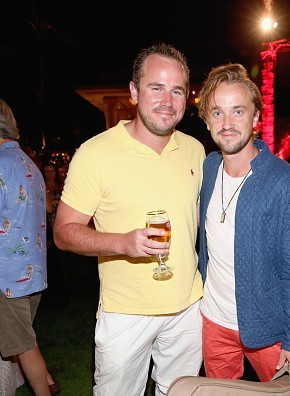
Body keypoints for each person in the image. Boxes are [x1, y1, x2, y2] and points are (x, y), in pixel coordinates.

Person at [53, 43, 205, 396]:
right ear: (134, 91)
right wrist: (123, 243)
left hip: (188, 307)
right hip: (125, 313)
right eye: (156, 87)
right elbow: (63, 233)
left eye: (177, 90)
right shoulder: (95, 153)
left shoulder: (195, 149)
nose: (167, 100)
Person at [197, 64, 290, 381]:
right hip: (214, 321)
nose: (227, 123)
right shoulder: (207, 169)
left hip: (270, 326)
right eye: (217, 113)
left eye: (238, 111)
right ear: (207, 121)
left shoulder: (286, 182)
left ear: (256, 118)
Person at [0, 98, 61, 396]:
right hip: (32, 271)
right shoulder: (28, 164)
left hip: (7, 276)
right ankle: (48, 380)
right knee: (25, 338)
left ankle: (44, 391)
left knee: (22, 345)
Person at [40, 161, 70, 308]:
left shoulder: (61, 186)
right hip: (46, 224)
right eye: (47, 171)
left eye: (52, 171)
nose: (49, 174)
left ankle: (65, 280)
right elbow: (49, 207)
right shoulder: (41, 185)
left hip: (59, 222)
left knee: (61, 254)